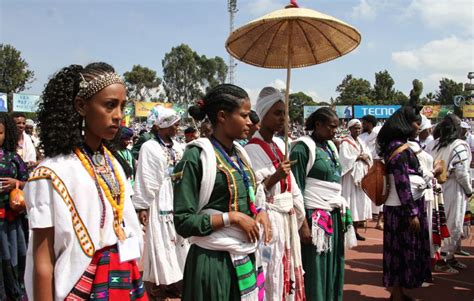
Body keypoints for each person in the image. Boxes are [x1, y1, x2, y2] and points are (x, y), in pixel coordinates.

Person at [23, 63, 147, 300]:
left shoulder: (112, 163)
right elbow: (43, 258)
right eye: (110, 105)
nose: (119, 116)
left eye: (122, 106)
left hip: (123, 275)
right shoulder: (51, 172)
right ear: (81, 106)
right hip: (82, 285)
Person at [173, 84, 271, 301]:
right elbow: (183, 222)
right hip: (212, 262)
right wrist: (232, 218)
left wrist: (260, 211)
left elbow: (252, 193)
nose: (250, 122)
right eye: (244, 115)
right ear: (223, 116)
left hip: (244, 255)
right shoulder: (195, 158)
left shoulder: (240, 154)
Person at [244, 87, 305, 300]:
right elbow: (253, 191)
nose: (283, 118)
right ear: (263, 113)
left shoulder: (280, 145)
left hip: (287, 218)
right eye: (277, 113)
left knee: (285, 268)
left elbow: (293, 185)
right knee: (270, 271)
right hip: (269, 220)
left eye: (285, 113)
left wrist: (301, 217)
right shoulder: (251, 150)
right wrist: (275, 177)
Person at [290, 107, 356, 301]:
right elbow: (296, 188)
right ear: (318, 125)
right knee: (315, 268)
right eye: (331, 127)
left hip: (333, 215)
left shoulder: (331, 147)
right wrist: (303, 226)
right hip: (313, 217)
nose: (335, 131)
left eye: (337, 127)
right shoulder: (302, 148)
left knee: (333, 264)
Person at [133, 106, 189, 300]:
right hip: (160, 199)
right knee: (160, 240)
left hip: (177, 196)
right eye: (174, 124)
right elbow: (145, 177)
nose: (177, 127)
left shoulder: (178, 146)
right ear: (162, 126)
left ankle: (176, 280)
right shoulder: (150, 147)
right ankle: (160, 285)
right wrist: (142, 205)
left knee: (178, 241)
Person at [377, 106, 431, 301]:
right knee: (401, 251)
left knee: (397, 251)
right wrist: (412, 212)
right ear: (406, 124)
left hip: (401, 208)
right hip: (402, 210)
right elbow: (402, 182)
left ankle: (398, 293)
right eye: (417, 123)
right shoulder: (399, 149)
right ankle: (397, 295)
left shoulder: (396, 145)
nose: (419, 127)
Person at [430, 114, 472, 271]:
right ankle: (442, 259)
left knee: (439, 222)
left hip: (436, 189)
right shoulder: (460, 146)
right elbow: (461, 173)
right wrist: (469, 190)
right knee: (452, 223)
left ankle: (450, 257)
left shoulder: (434, 144)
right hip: (453, 189)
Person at [0, 113, 29, 300]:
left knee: (14, 259)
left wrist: (16, 183)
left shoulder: (13, 158)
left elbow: (30, 183)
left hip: (11, 221)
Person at [339, 119, 372, 241]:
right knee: (350, 203)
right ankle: (347, 231)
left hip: (361, 176)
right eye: (355, 128)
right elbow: (344, 159)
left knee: (359, 204)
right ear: (350, 129)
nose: (358, 130)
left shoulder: (362, 142)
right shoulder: (345, 142)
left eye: (359, 128)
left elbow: (369, 155)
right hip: (350, 177)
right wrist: (358, 157)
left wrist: (366, 157)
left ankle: (356, 231)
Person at [360, 114, 384, 230]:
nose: (362, 125)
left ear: (370, 123)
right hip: (366, 165)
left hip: (378, 163)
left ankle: (379, 221)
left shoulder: (379, 131)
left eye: (364, 123)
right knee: (365, 191)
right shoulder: (362, 136)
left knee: (379, 191)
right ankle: (363, 218)